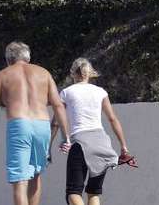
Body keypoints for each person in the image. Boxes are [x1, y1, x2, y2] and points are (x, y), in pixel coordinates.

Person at [0, 41, 73, 205]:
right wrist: (66, 136)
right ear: (28, 57)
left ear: (8, 59)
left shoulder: (2, 75)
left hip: (19, 124)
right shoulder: (44, 73)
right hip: (42, 125)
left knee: (20, 181)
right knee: (36, 174)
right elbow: (58, 105)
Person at [54, 58, 134, 205]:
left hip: (80, 143)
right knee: (93, 192)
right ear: (90, 73)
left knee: (73, 192)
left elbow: (55, 123)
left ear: (73, 73)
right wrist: (124, 147)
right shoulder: (100, 92)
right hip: (102, 144)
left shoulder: (66, 92)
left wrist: (47, 147)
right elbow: (113, 119)